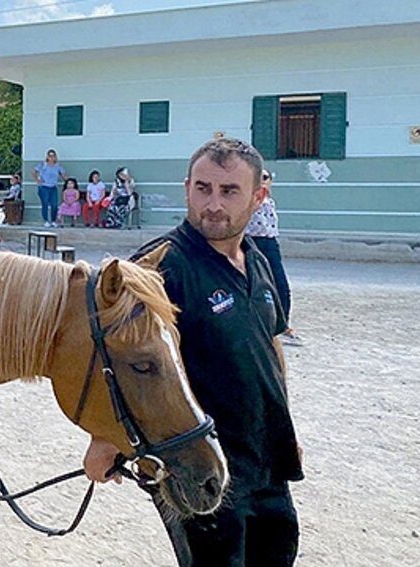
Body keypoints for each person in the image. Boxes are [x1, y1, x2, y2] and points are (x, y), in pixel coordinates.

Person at [84, 138, 304, 567]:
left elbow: (271, 345)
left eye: (229, 191)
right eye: (203, 189)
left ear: (259, 197)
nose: (213, 204)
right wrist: (102, 438)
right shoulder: (158, 267)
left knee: (279, 551)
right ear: (187, 188)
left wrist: (286, 426)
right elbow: (113, 358)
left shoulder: (257, 261)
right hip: (198, 463)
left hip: (267, 458)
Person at [246, 170, 303, 346]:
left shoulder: (270, 202)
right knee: (251, 285)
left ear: (270, 181)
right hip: (251, 242)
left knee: (280, 285)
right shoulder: (247, 201)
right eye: (258, 178)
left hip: (270, 243)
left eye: (265, 178)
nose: (261, 181)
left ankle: (283, 326)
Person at [32, 149, 67, 227]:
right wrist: (37, 180)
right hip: (44, 187)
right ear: (47, 156)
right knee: (45, 204)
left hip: (53, 187)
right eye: (50, 155)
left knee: (54, 204)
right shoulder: (43, 165)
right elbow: (34, 172)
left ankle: (53, 220)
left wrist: (69, 182)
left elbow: (64, 175)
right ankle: (46, 220)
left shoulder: (58, 166)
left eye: (53, 155)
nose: (51, 157)